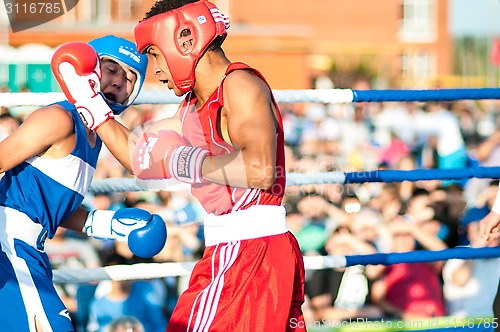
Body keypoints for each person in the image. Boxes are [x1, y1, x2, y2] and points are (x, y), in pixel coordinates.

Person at [66, 1, 307, 331]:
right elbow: (139, 157)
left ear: (184, 39)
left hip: (250, 252)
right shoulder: (192, 107)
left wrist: (187, 161)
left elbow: (261, 169)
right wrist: (90, 105)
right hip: (236, 251)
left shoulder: (239, 85)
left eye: (154, 53)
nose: (156, 70)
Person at [0, 35, 167, 332]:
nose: (119, 82)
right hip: (8, 246)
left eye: (130, 78)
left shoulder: (94, 137)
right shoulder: (59, 118)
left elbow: (49, 206)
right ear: (89, 68)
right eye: (112, 69)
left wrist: (110, 225)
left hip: (29, 249)